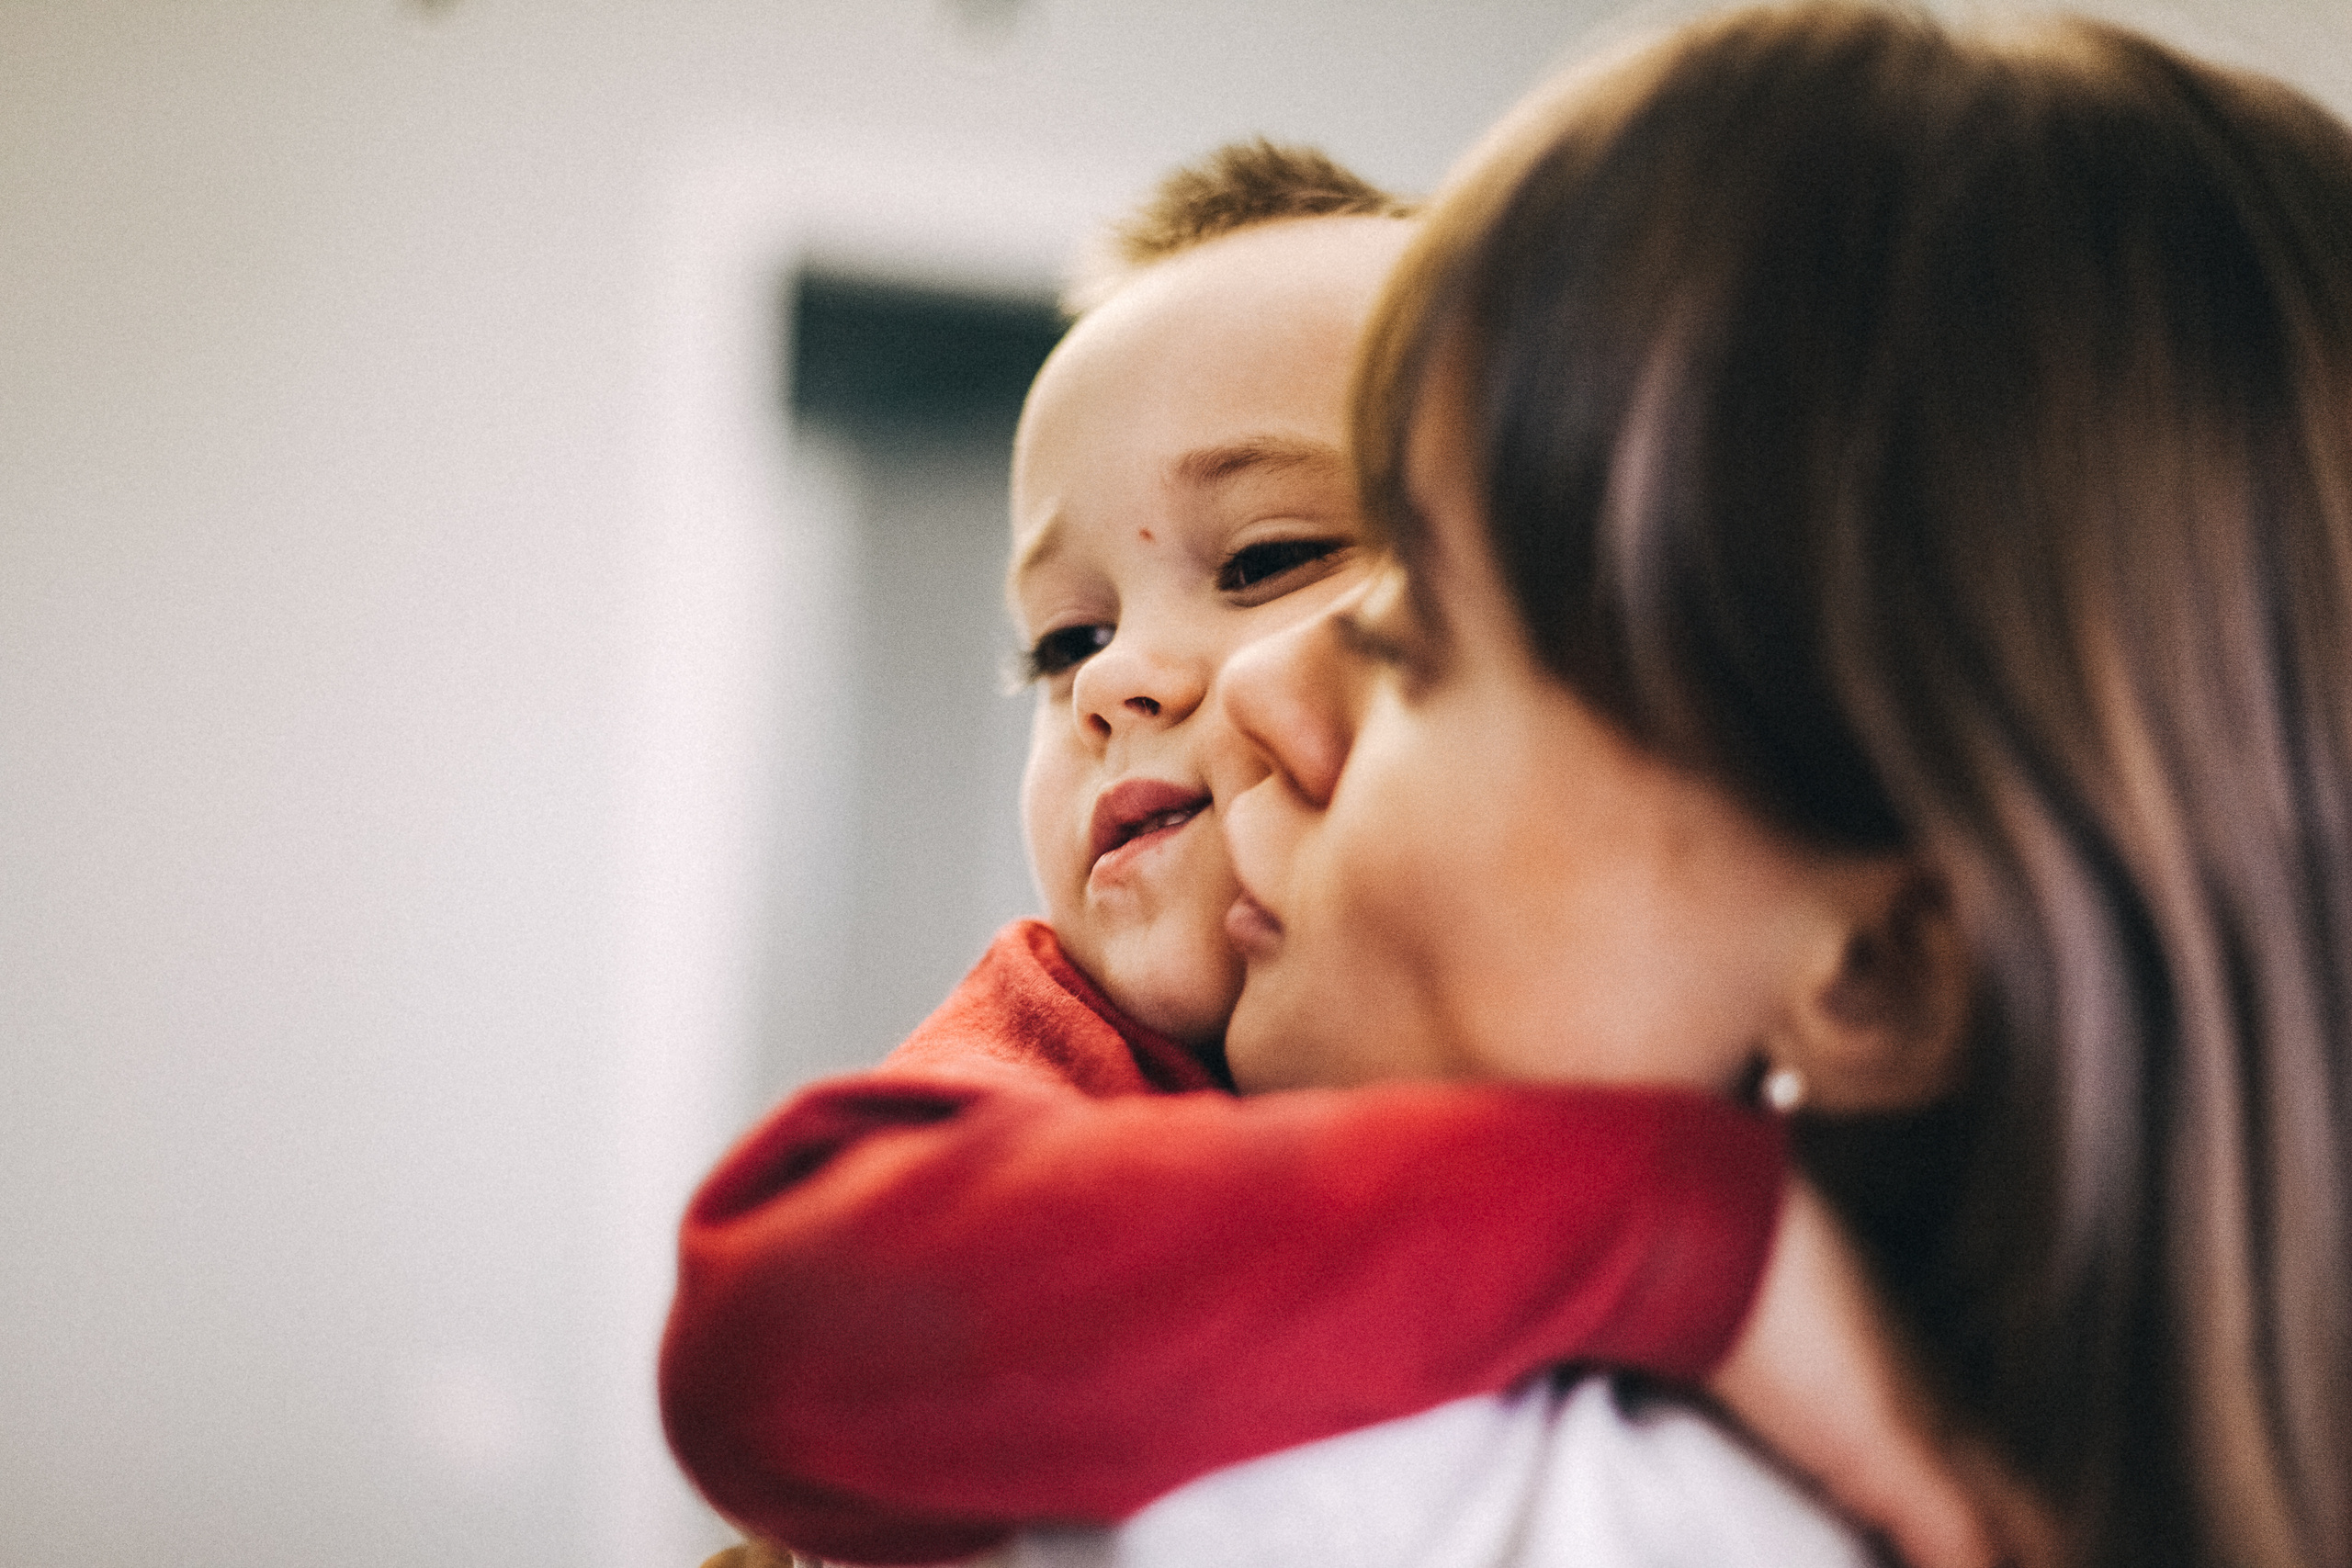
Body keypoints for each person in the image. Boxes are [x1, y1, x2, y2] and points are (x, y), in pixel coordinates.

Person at [1047, 6, 2352, 1566]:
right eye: (1058, 638)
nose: (1249, 687)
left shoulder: (1360, 1500)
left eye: (1418, 634)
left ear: (1877, 972)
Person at [663, 141, 1996, 1568]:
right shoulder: (1069, 1064)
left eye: (1266, 559)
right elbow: (781, 1328)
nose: (1112, 682)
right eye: (1064, 642)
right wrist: (1677, 1229)